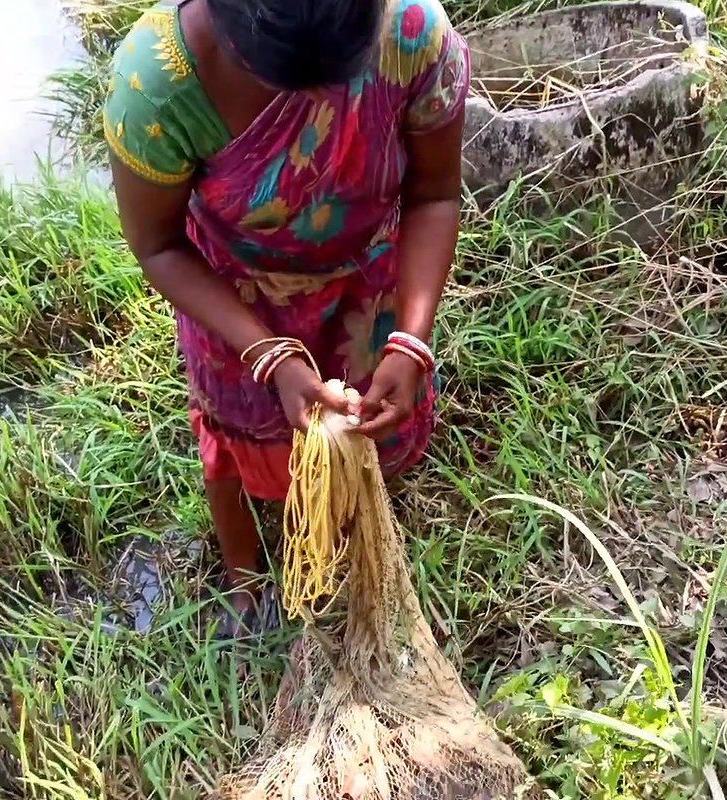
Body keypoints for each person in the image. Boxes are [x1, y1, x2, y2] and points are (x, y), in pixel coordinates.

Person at [102, 0, 469, 635]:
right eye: (283, 79)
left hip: (369, 299)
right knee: (237, 450)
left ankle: (363, 535)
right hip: (237, 306)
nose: (323, 101)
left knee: (366, 436)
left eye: (342, 68)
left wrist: (409, 340)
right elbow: (159, 246)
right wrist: (267, 353)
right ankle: (244, 578)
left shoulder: (415, 37)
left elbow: (434, 193)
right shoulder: (158, 88)